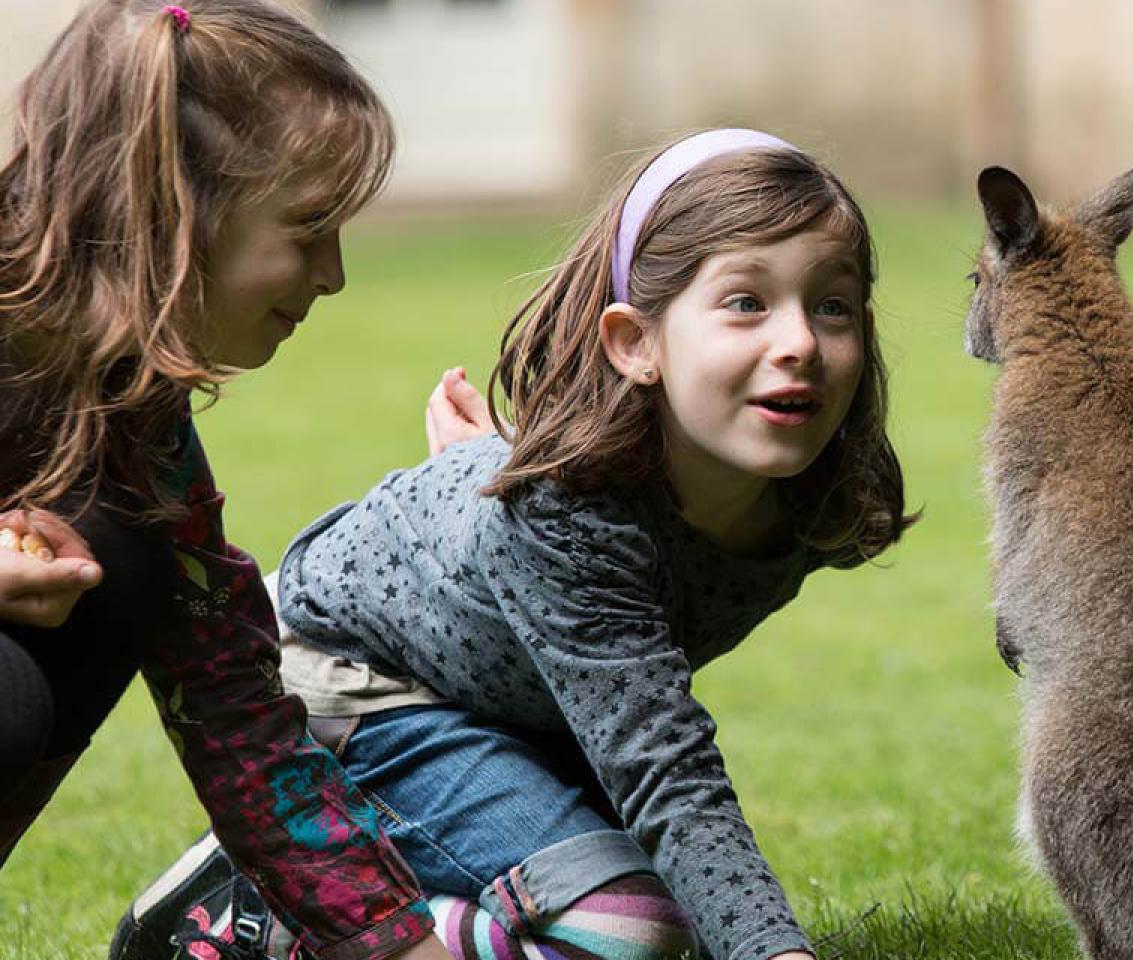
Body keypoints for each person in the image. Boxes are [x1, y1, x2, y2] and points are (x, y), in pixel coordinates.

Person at [126, 129, 914, 960]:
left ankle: (349, 864)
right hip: (350, 681)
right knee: (627, 929)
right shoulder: (566, 513)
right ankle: (275, 909)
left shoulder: (813, 493)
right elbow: (664, 770)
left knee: (666, 900)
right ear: (635, 344)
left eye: (832, 305)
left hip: (501, 706)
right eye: (746, 303)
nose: (798, 341)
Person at [0, 3, 454, 959]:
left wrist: (395, 941)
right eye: (309, 228)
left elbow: (229, 701)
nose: (332, 274)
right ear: (177, 208)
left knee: (129, 567)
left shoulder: (127, 409)